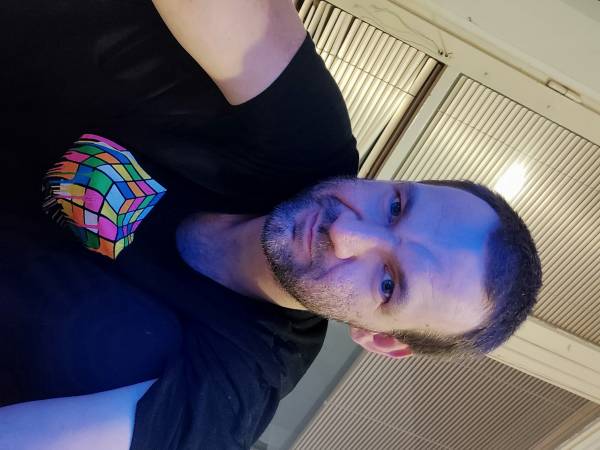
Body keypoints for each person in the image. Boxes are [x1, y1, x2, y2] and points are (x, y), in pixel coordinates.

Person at [0, 0, 542, 448]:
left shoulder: (231, 387)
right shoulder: (302, 139)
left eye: (387, 282)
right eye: (396, 208)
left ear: (379, 340)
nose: (347, 233)